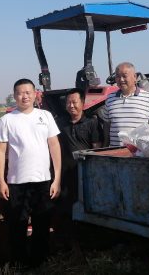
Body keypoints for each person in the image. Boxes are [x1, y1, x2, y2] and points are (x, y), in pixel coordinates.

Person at [0, 78, 62, 267]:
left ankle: (39, 263)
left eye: (28, 92)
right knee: (17, 224)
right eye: (20, 93)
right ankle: (19, 263)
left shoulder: (45, 116)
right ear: (14, 96)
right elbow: (0, 151)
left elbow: (54, 146)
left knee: (42, 223)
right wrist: (1, 181)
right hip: (16, 182)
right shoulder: (7, 120)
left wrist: (57, 179)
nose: (24, 96)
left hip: (43, 180)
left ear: (35, 94)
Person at [55, 88, 101, 244]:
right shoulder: (60, 123)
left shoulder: (92, 123)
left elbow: (96, 148)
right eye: (68, 102)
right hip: (65, 173)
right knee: (66, 206)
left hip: (85, 173)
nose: (71, 106)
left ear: (82, 103)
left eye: (74, 102)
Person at [104, 62, 149, 146]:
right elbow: (106, 125)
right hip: (115, 151)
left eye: (124, 76)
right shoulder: (110, 99)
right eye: (118, 76)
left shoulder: (148, 98)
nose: (121, 79)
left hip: (139, 151)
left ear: (134, 77)